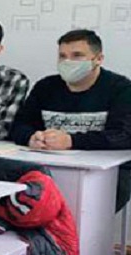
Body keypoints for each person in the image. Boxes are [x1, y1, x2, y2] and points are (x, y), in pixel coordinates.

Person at [11, 29, 131, 210]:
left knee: (79, 210)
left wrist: (70, 141)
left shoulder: (121, 89)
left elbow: (123, 135)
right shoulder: (45, 87)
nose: (68, 62)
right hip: (48, 167)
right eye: (62, 56)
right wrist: (31, 137)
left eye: (77, 56)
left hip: (108, 173)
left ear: (98, 59)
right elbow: (19, 125)